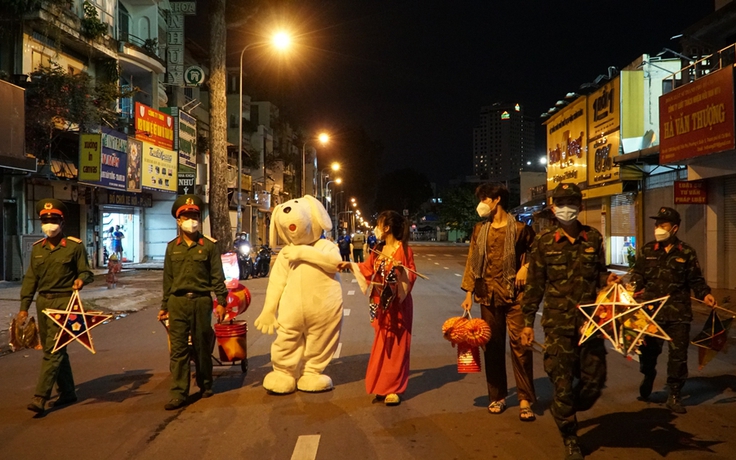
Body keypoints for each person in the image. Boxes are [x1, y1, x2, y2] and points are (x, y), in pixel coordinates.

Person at [520, 183, 618, 460]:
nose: (567, 208)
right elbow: (534, 286)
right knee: (561, 381)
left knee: (594, 381)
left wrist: (607, 281)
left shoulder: (594, 238)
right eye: (561, 203)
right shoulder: (544, 242)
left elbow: (600, 274)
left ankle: (565, 407)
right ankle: (569, 434)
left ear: (581, 206)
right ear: (552, 208)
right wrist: (527, 322)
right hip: (557, 323)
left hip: (589, 323)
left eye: (572, 202)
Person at [460, 183, 537, 421]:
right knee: (492, 347)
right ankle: (497, 396)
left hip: (515, 296)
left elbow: (537, 254)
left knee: (520, 347)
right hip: (487, 294)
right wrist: (468, 294)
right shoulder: (479, 230)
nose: (481, 203)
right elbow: (472, 261)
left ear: (497, 200)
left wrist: (526, 266)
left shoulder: (522, 229)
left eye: (485, 198)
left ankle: (525, 398)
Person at [630, 207, 715, 414]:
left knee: (678, 356)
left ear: (674, 228)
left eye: (663, 225)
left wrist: (705, 294)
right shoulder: (648, 250)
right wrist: (633, 286)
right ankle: (648, 374)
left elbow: (695, 279)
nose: (658, 228)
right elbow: (638, 274)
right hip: (651, 313)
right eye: (657, 224)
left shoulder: (686, 252)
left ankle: (674, 393)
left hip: (679, 313)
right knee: (648, 352)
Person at [17, 198, 94, 414]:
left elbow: (86, 272)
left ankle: (41, 396)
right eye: (45, 220)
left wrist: (81, 280)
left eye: (53, 220)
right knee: (58, 349)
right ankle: (68, 391)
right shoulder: (37, 249)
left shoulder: (74, 247)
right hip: (43, 302)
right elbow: (30, 279)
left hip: (65, 302)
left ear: (62, 222)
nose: (49, 225)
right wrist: (24, 307)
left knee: (52, 350)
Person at [157, 194, 228, 410]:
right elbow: (167, 280)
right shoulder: (172, 247)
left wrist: (222, 301)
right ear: (178, 221)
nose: (192, 220)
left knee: (201, 346)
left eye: (195, 216)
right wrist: (164, 307)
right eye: (187, 216)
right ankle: (179, 392)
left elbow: (217, 276)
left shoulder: (209, 246)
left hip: (201, 302)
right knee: (178, 350)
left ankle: (206, 383)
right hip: (178, 303)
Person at [339, 211, 417, 406]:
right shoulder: (377, 249)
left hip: (398, 305)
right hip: (381, 305)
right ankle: (382, 386)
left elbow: (411, 277)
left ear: (387, 227)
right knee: (382, 345)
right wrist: (350, 265)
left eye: (379, 224)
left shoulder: (405, 251)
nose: (377, 228)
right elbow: (367, 269)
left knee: (398, 346)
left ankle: (395, 389)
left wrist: (401, 271)